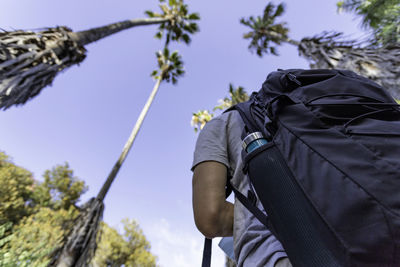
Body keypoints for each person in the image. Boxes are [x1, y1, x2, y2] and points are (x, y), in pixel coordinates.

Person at [192, 110, 292, 267]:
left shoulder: (221, 123)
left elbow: (210, 216)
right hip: (337, 235)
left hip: (273, 254)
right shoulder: (293, 109)